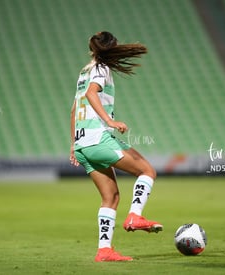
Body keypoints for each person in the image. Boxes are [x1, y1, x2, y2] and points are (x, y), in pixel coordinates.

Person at [69, 31, 163, 262]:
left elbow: (73, 110)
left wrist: (73, 146)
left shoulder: (84, 71)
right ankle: (135, 216)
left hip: (83, 145)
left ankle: (104, 251)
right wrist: (110, 121)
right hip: (98, 138)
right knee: (147, 171)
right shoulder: (101, 69)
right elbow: (92, 93)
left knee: (110, 198)